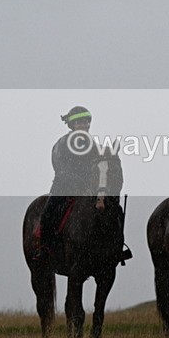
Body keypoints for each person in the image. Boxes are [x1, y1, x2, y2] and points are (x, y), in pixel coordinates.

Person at [33, 106, 99, 262]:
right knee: (48, 213)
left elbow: (97, 166)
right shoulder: (61, 144)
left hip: (90, 190)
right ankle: (45, 248)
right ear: (72, 125)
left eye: (85, 122)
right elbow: (61, 168)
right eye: (79, 122)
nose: (83, 125)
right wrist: (79, 183)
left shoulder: (93, 145)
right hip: (64, 188)